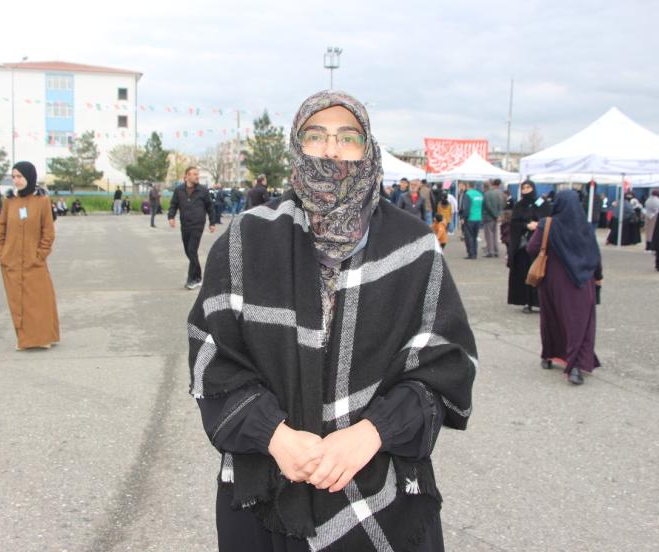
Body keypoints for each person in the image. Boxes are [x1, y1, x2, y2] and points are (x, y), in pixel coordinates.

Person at [188, 90, 476, 552]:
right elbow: (212, 357)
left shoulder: (414, 246)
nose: (331, 149)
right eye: (316, 135)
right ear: (296, 146)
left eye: (347, 137)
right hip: (267, 485)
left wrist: (373, 432)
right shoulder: (245, 239)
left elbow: (447, 365)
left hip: (383, 487)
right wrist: (273, 435)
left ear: (368, 148)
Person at [526, 191, 602, 385]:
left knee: (552, 319)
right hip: (583, 281)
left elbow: (532, 248)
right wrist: (598, 278)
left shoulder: (548, 224)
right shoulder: (586, 226)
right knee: (580, 324)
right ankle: (576, 366)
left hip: (553, 280)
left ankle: (549, 355)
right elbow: (595, 255)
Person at [0, 161, 59, 350]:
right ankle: (25, 339)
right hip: (11, 260)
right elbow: (1, 226)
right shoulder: (9, 201)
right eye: (14, 177)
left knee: (40, 299)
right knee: (18, 302)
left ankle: (44, 337)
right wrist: (1, 251)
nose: (16, 180)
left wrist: (41, 254)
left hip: (33, 260)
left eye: (20, 177)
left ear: (29, 177)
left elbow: (48, 231)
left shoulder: (42, 201)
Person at [168, 166, 215, 289]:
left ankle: (191, 280)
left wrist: (212, 222)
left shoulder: (203, 190)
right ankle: (198, 277)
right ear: (187, 176)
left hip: (197, 224)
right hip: (185, 224)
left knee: (192, 250)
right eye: (194, 174)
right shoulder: (179, 190)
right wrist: (171, 217)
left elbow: (210, 207)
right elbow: (173, 204)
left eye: (197, 174)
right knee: (188, 251)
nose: (197, 176)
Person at [507, 180, 551, 313]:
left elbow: (548, 219)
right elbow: (514, 223)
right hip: (523, 246)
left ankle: (541, 302)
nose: (526, 190)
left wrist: (539, 224)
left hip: (540, 245)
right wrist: (526, 225)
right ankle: (527, 302)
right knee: (524, 273)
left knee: (540, 272)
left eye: (528, 187)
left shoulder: (542, 203)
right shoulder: (519, 205)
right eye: (523, 188)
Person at [459, 182, 484, 259]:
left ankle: (471, 254)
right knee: (475, 237)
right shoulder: (480, 194)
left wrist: (463, 217)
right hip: (478, 218)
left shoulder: (468, 194)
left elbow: (466, 208)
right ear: (475, 186)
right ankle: (475, 253)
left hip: (470, 218)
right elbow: (482, 207)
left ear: (468, 186)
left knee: (469, 237)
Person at [482, 179, 504, 258]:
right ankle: (496, 251)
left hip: (489, 217)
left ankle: (490, 251)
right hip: (496, 217)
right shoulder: (498, 193)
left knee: (489, 235)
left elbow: (488, 206)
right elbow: (501, 204)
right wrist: (499, 215)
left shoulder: (486, 194)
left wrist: (495, 215)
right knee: (495, 234)